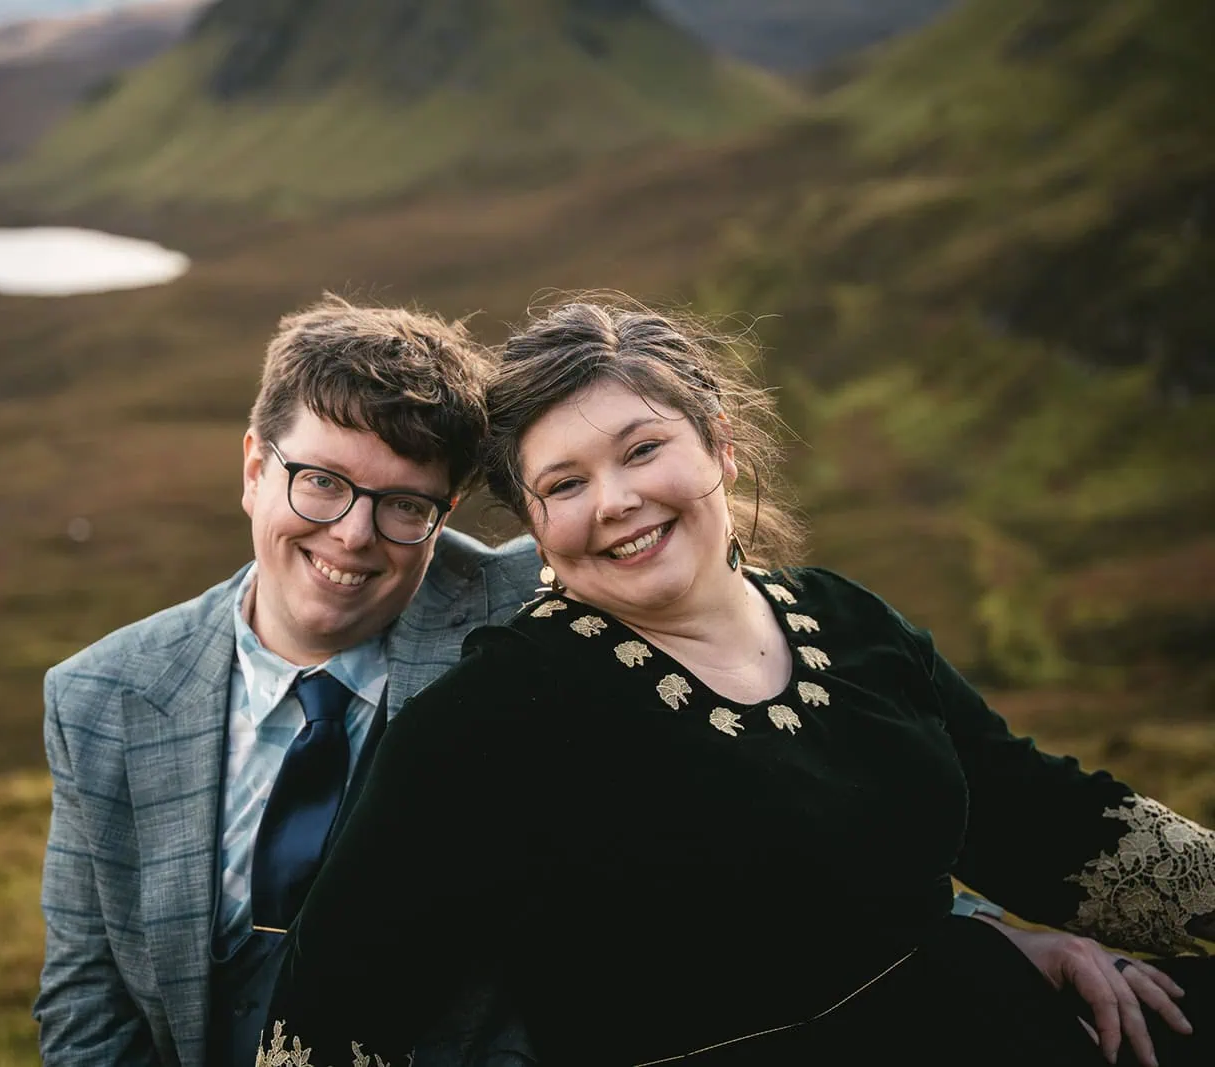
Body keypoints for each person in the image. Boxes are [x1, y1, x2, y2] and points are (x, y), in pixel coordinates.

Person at [258, 300, 1215, 1067]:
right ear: (537, 525)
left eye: (641, 449)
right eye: (565, 484)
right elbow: (333, 1015)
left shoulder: (847, 619)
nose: (617, 500)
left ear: (717, 443)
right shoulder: (490, 721)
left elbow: (1042, 818)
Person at [33, 296, 543, 1067]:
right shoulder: (102, 698)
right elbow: (87, 1009)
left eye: (404, 503)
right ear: (252, 467)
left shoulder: (522, 619)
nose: (352, 533)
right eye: (322, 481)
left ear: (444, 513)